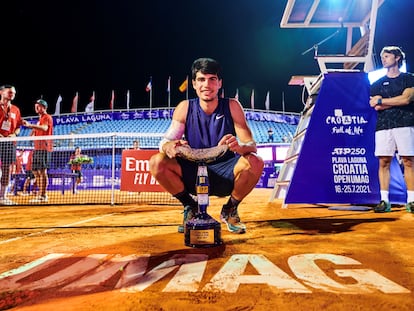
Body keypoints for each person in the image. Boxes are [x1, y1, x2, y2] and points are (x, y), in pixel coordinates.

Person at [149, 58, 264, 234]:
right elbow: (165, 141)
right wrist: (169, 146)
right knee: (157, 162)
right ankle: (191, 207)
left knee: (255, 161)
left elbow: (251, 145)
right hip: (193, 171)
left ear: (219, 83)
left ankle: (230, 209)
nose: (207, 85)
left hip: (226, 170)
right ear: (194, 84)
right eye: (201, 79)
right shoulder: (185, 107)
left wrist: (239, 147)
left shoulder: (232, 106)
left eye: (212, 79)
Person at [369, 46, 414, 213]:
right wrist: (383, 102)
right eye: (383, 56)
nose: (383, 59)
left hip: (406, 123)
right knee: (384, 162)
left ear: (396, 58)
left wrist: (383, 101)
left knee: (409, 161)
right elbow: (375, 105)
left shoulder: (409, 79)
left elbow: (407, 99)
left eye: (387, 56)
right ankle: (384, 200)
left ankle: (412, 200)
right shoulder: (376, 84)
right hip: (383, 126)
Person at [22, 99, 53, 203]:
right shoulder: (39, 120)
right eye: (36, 106)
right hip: (36, 148)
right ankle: (41, 193)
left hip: (44, 147)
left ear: (44, 107)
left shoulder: (47, 117)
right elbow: (34, 132)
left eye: (38, 106)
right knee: (35, 171)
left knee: (42, 171)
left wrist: (31, 125)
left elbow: (44, 128)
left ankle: (43, 195)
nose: (36, 107)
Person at [0, 85, 23, 205]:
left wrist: (14, 134)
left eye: (13, 93)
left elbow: (18, 126)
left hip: (10, 142)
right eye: (9, 92)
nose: (12, 94)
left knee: (7, 169)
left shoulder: (16, 109)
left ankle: (2, 197)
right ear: (1, 92)